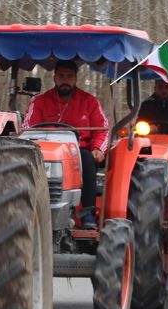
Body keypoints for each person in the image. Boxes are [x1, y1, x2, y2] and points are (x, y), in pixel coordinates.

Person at [22, 60, 109, 226]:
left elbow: (102, 129)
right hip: (46, 152)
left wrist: (98, 148)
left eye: (69, 76)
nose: (65, 80)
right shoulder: (39, 102)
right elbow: (27, 129)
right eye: (61, 76)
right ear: (55, 78)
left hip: (79, 151)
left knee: (87, 159)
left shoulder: (90, 102)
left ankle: (88, 213)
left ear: (75, 78)